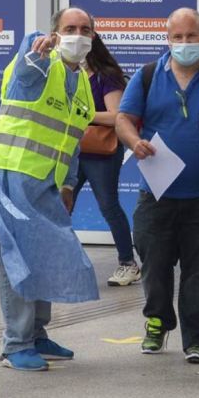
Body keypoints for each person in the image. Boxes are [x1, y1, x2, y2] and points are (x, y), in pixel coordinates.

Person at [115, 7, 199, 364]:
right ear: (168, 39)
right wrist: (133, 142)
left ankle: (196, 338)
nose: (184, 43)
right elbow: (123, 119)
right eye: (177, 37)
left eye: (191, 36)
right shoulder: (147, 76)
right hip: (157, 192)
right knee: (154, 262)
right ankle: (158, 321)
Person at [0, 7, 99, 372]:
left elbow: (73, 139)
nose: (77, 34)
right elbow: (25, 76)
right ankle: (16, 344)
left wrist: (67, 184)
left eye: (84, 29)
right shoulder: (39, 65)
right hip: (10, 175)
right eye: (69, 28)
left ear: (93, 37)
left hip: (46, 183)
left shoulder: (81, 83)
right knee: (17, 260)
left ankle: (36, 333)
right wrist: (34, 55)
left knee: (46, 255)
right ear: (55, 33)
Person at [71, 34, 140, 286]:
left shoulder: (106, 75)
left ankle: (128, 263)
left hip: (101, 152)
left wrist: (82, 115)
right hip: (73, 150)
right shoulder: (71, 74)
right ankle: (63, 261)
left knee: (108, 205)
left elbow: (116, 116)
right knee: (61, 205)